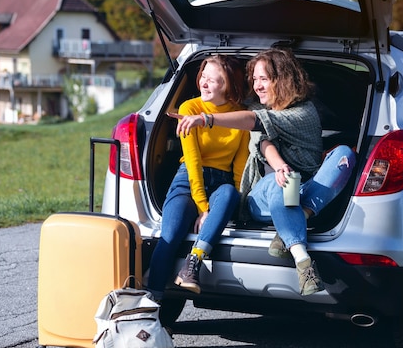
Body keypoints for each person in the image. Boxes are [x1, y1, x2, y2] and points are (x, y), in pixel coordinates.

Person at [173, 48, 356, 296]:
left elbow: (255, 122)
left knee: (344, 153)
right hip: (263, 198)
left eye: (264, 79)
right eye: (254, 79)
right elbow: (263, 141)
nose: (257, 86)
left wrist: (207, 119)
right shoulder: (257, 109)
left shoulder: (303, 112)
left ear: (282, 81)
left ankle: (299, 216)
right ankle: (303, 262)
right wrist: (280, 166)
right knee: (279, 183)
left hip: (301, 191)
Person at [146, 55, 250, 302]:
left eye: (213, 80)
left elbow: (240, 166)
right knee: (169, 238)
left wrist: (234, 204)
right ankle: (149, 307)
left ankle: (193, 264)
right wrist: (204, 209)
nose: (204, 83)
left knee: (229, 193)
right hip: (188, 180)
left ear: (228, 85)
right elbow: (193, 163)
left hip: (221, 182)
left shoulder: (240, 116)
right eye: (203, 76)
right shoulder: (190, 109)